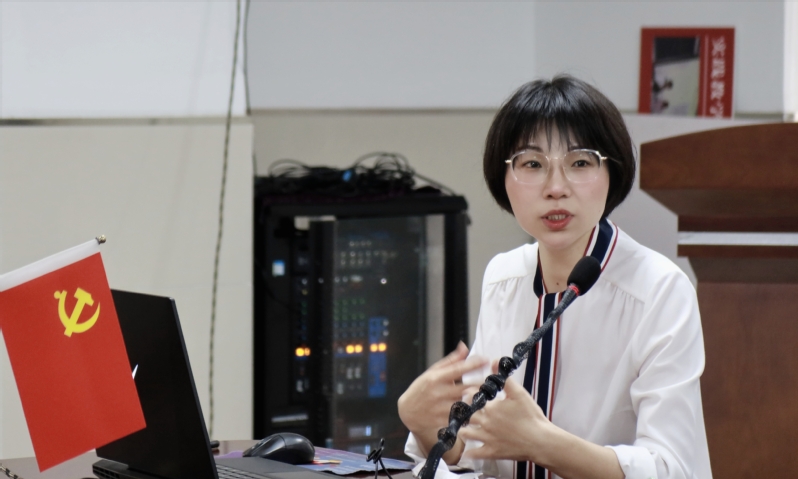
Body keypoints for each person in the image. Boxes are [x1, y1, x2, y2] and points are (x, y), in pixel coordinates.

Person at [397, 75, 711, 479]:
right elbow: (476, 455)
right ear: (502, 177)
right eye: (532, 164)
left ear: (612, 171)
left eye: (580, 163)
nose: (556, 188)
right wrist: (424, 423)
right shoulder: (504, 277)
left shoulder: (660, 289)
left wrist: (544, 444)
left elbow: (673, 469)